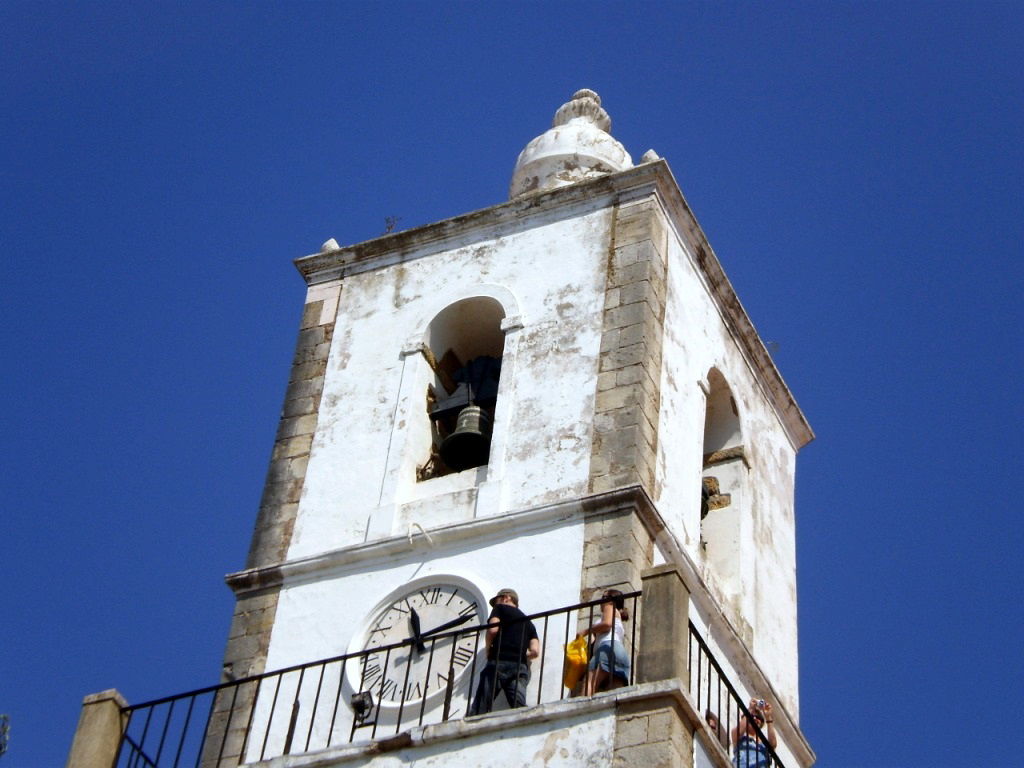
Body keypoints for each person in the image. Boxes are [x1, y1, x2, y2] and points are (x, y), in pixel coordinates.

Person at [468, 588, 539, 715]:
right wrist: (522, 653)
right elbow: (535, 651)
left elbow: (493, 629)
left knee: (480, 707)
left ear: (506, 598)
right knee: (519, 707)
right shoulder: (529, 623)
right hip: (520, 666)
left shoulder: (500, 609)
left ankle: (469, 728)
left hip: (499, 661)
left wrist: (488, 649)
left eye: (497, 601)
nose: (496, 604)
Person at [577, 588, 631, 696]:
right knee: (615, 694)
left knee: (589, 685)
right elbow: (595, 642)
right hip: (619, 653)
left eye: (603, 597)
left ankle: (581, 710)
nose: (601, 601)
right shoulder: (618, 617)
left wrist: (586, 631)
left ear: (610, 600)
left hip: (606, 649)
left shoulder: (609, 606)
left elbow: (607, 624)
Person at [731, 698, 777, 768]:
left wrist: (768, 717)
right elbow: (738, 731)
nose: (755, 718)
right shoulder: (740, 737)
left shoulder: (763, 743)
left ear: (761, 723)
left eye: (758, 717)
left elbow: (773, 745)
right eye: (752, 716)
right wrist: (750, 709)